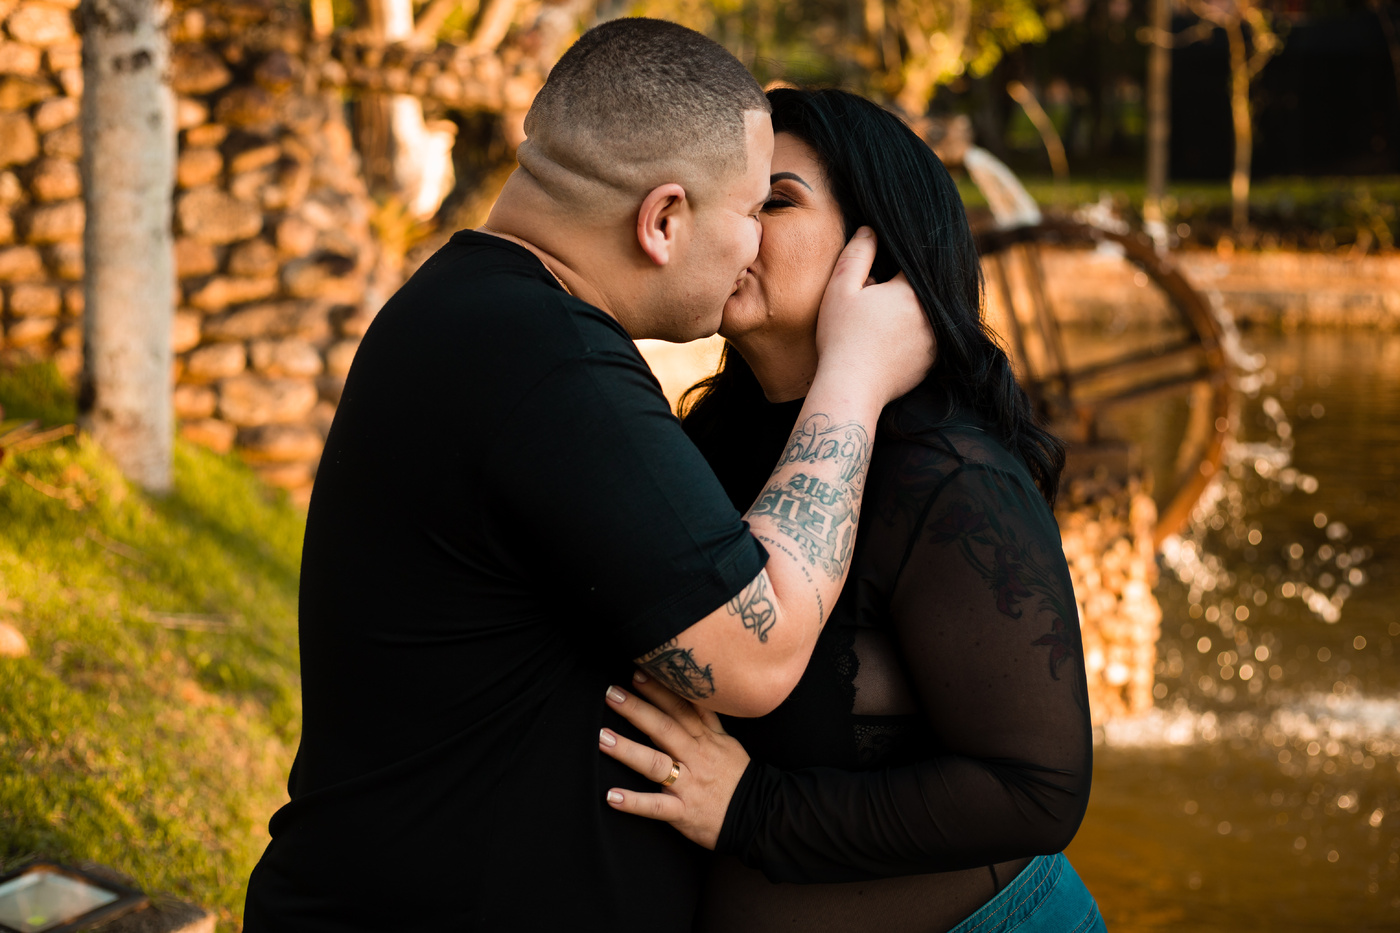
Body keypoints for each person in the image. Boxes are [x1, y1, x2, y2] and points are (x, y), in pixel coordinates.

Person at [242, 23, 935, 933]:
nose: (752, 248)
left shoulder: (467, 308)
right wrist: (856, 373)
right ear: (664, 221)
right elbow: (756, 656)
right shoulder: (550, 364)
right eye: (751, 209)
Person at [598, 87, 1105, 933]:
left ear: (875, 253)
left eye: (776, 201)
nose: (737, 228)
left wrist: (751, 808)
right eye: (731, 199)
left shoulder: (950, 477)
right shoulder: (701, 443)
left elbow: (1039, 790)